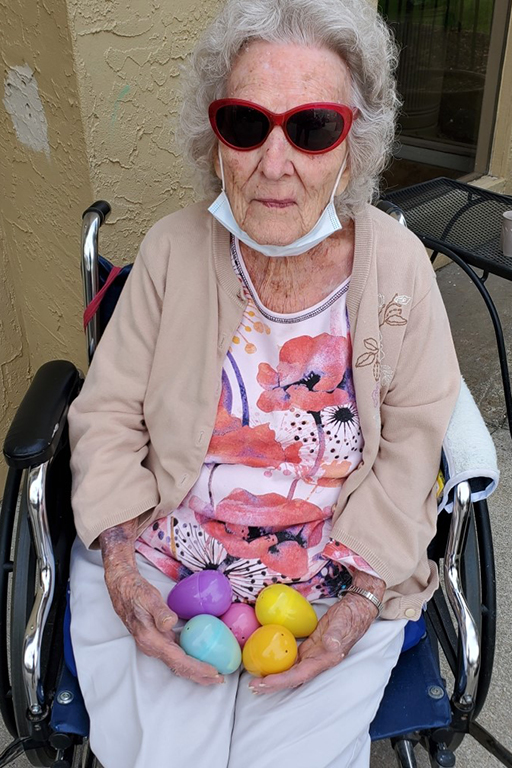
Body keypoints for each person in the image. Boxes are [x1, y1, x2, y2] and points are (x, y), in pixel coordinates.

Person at [68, 0, 461, 766]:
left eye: (312, 128)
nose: (273, 163)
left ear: (355, 142)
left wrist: (356, 605)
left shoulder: (400, 272)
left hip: (330, 581)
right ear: (216, 137)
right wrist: (122, 569)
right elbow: (109, 411)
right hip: (162, 561)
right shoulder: (173, 251)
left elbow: (414, 447)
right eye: (248, 125)